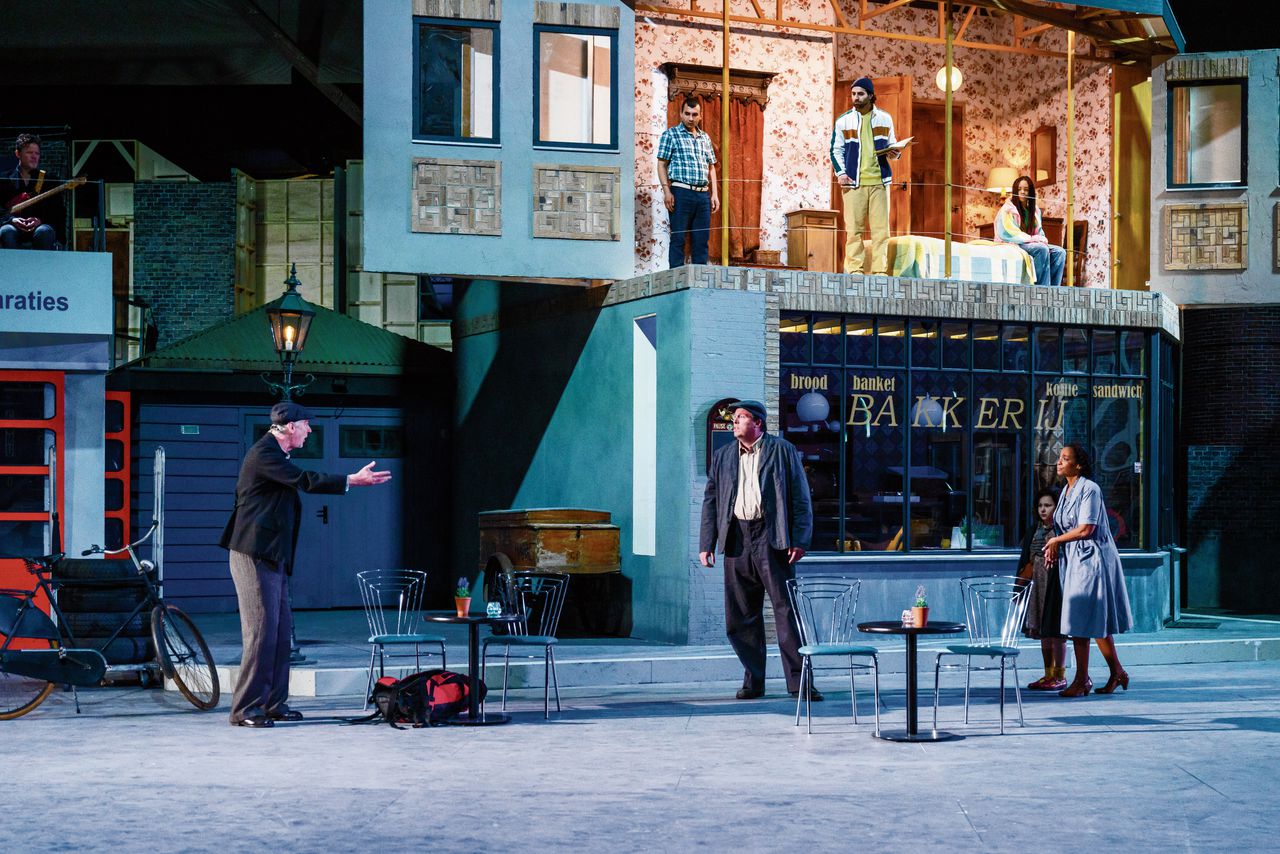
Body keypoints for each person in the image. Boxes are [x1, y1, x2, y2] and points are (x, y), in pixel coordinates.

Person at [219, 402, 392, 727]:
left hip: (272, 556)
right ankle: (245, 709)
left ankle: (273, 704)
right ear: (287, 427)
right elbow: (305, 480)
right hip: (253, 555)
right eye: (305, 425)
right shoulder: (264, 454)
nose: (310, 430)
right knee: (260, 632)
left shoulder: (277, 457)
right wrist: (351, 480)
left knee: (281, 633)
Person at [699, 400, 815, 701]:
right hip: (737, 537)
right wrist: (706, 544)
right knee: (740, 616)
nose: (734, 423)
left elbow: (801, 498)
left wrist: (800, 539)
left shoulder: (782, 450)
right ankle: (753, 681)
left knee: (785, 612)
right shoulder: (723, 456)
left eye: (740, 418)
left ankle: (799, 682)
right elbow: (710, 502)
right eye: (734, 418)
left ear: (758, 423)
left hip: (772, 537)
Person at [1043, 443, 1132, 697]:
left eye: (1065, 458)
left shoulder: (1089, 489)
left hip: (1091, 560)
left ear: (1078, 464)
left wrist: (1056, 542)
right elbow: (1061, 528)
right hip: (1074, 561)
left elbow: (1086, 529)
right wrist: (1055, 545)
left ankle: (1082, 680)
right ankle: (1117, 672)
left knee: (1081, 618)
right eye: (1059, 458)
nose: (1059, 462)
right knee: (1092, 619)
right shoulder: (1066, 491)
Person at [830, 77, 900, 275]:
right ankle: (854, 271)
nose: (856, 98)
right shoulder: (844, 121)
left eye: (860, 94)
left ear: (870, 95)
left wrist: (895, 152)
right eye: (853, 94)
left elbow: (892, 144)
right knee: (854, 231)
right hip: (854, 183)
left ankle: (879, 271)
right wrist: (841, 173)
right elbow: (835, 150)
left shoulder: (885, 118)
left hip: (879, 182)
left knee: (881, 232)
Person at [657, 96, 720, 269]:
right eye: (687, 114)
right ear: (681, 114)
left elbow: (711, 167)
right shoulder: (671, 135)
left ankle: (700, 281)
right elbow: (662, 164)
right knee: (678, 238)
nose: (690, 118)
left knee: (701, 240)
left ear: (700, 116)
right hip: (681, 192)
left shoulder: (705, 138)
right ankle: (675, 281)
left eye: (694, 114)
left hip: (702, 195)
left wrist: (714, 194)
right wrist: (667, 191)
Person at [1018, 488, 1067, 691]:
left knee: (1056, 630)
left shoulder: (1062, 531)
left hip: (1055, 581)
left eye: (1048, 505)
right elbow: (1026, 559)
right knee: (1042, 630)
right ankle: (1048, 674)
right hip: (1037, 582)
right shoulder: (1034, 529)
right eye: (1040, 506)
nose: (1043, 509)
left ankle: (1060, 675)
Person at [995, 175, 1066, 286]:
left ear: (1031, 192)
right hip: (1012, 243)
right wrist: (1033, 239)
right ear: (1015, 191)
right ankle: (1041, 288)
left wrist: (1038, 239)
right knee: (1041, 249)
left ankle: (1054, 290)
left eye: (1026, 189)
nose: (1022, 192)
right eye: (1019, 189)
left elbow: (1039, 233)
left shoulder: (1034, 210)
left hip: (1029, 242)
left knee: (1060, 252)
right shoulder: (1007, 209)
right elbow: (1008, 233)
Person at [1, 133, 62, 251]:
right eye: (29, 152)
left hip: (40, 227)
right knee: (7, 231)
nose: (34, 156)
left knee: (44, 231)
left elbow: (58, 213)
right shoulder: (3, 179)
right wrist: (12, 220)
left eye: (37, 153)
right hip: (12, 227)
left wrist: (40, 220)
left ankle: (42, 269)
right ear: (18, 154)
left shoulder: (49, 180)